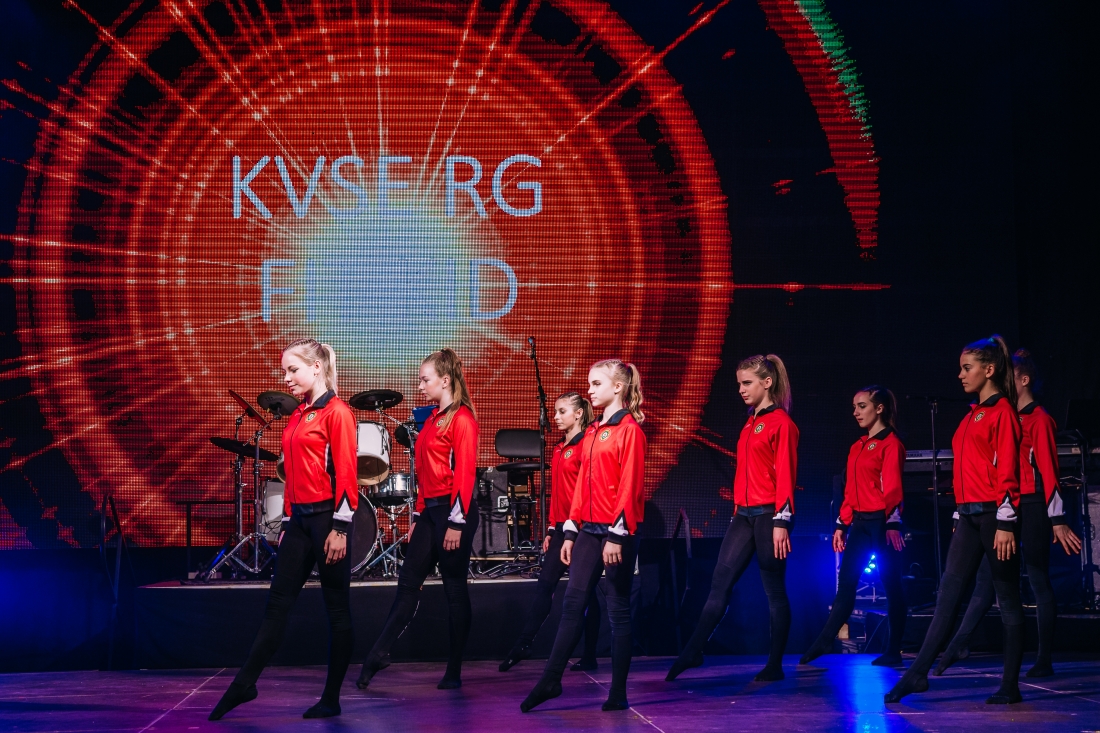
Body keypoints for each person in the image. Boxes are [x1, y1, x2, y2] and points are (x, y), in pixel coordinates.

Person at [209, 339, 357, 720]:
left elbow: (346, 472)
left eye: (293, 369)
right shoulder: (298, 415)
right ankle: (245, 684)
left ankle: (331, 699)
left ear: (316, 368)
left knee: (337, 611)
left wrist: (341, 527)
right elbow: (291, 475)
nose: (286, 378)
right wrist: (289, 520)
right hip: (301, 522)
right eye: (285, 371)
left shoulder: (337, 412)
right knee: (276, 606)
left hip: (328, 521)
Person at [885, 335, 1025, 705]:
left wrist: (1007, 521)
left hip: (995, 515)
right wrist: (957, 509)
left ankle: (1010, 685)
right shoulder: (972, 415)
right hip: (968, 514)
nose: (960, 375)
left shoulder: (1003, 412)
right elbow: (968, 468)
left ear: (989, 370)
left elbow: (1008, 470)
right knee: (947, 595)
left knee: (1007, 598)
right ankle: (917, 674)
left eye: (967, 368)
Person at [933, 348, 1081, 678]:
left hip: (1033, 504)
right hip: (1005, 508)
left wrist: (1057, 519)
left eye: (1009, 376)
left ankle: (1043, 658)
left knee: (1038, 578)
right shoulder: (1004, 414)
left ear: (1023, 380)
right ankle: (958, 643)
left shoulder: (1039, 419)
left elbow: (1049, 470)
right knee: (987, 578)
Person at [520, 360, 647, 713]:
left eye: (596, 384)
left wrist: (617, 535)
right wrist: (570, 531)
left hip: (617, 531)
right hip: (588, 529)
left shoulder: (629, 431)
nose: (589, 390)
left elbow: (630, 485)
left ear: (618, 387)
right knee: (572, 604)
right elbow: (581, 487)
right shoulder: (592, 432)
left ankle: (618, 693)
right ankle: (551, 679)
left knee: (618, 609)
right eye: (589, 384)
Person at [666, 354, 797, 684]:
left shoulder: (781, 423)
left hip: (770, 515)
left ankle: (775, 664)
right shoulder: (750, 423)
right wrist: (738, 508)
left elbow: (786, 474)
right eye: (739, 383)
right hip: (743, 514)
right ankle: (694, 650)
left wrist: (782, 521)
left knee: (774, 591)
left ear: (768, 382)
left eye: (747, 383)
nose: (741, 389)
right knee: (719, 583)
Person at [355, 348, 480, 690]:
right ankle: (379, 653)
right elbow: (424, 473)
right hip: (431, 512)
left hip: (454, 512)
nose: (420, 386)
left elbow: (465, 474)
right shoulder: (433, 419)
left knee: (455, 589)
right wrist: (419, 514)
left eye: (425, 380)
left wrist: (456, 522)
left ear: (445, 380)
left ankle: (454, 670)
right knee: (408, 582)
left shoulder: (462, 419)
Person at [800, 386, 908, 667]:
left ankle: (893, 651)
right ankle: (824, 641)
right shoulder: (857, 446)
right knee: (846, 583)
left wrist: (893, 522)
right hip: (859, 523)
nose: (855, 412)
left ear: (879, 408)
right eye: (854, 407)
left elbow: (893, 487)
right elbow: (850, 491)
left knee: (891, 585)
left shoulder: (891, 444)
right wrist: (841, 524)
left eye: (862, 406)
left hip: (882, 523)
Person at [499, 392, 602, 672]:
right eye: (555, 412)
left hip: (584, 529)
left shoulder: (587, 444)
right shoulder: (558, 449)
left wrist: (574, 525)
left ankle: (589, 655)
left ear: (578, 413)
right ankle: (524, 643)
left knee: (587, 594)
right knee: (546, 583)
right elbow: (558, 494)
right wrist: (552, 527)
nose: (555, 417)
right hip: (561, 528)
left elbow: (586, 491)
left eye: (561, 412)